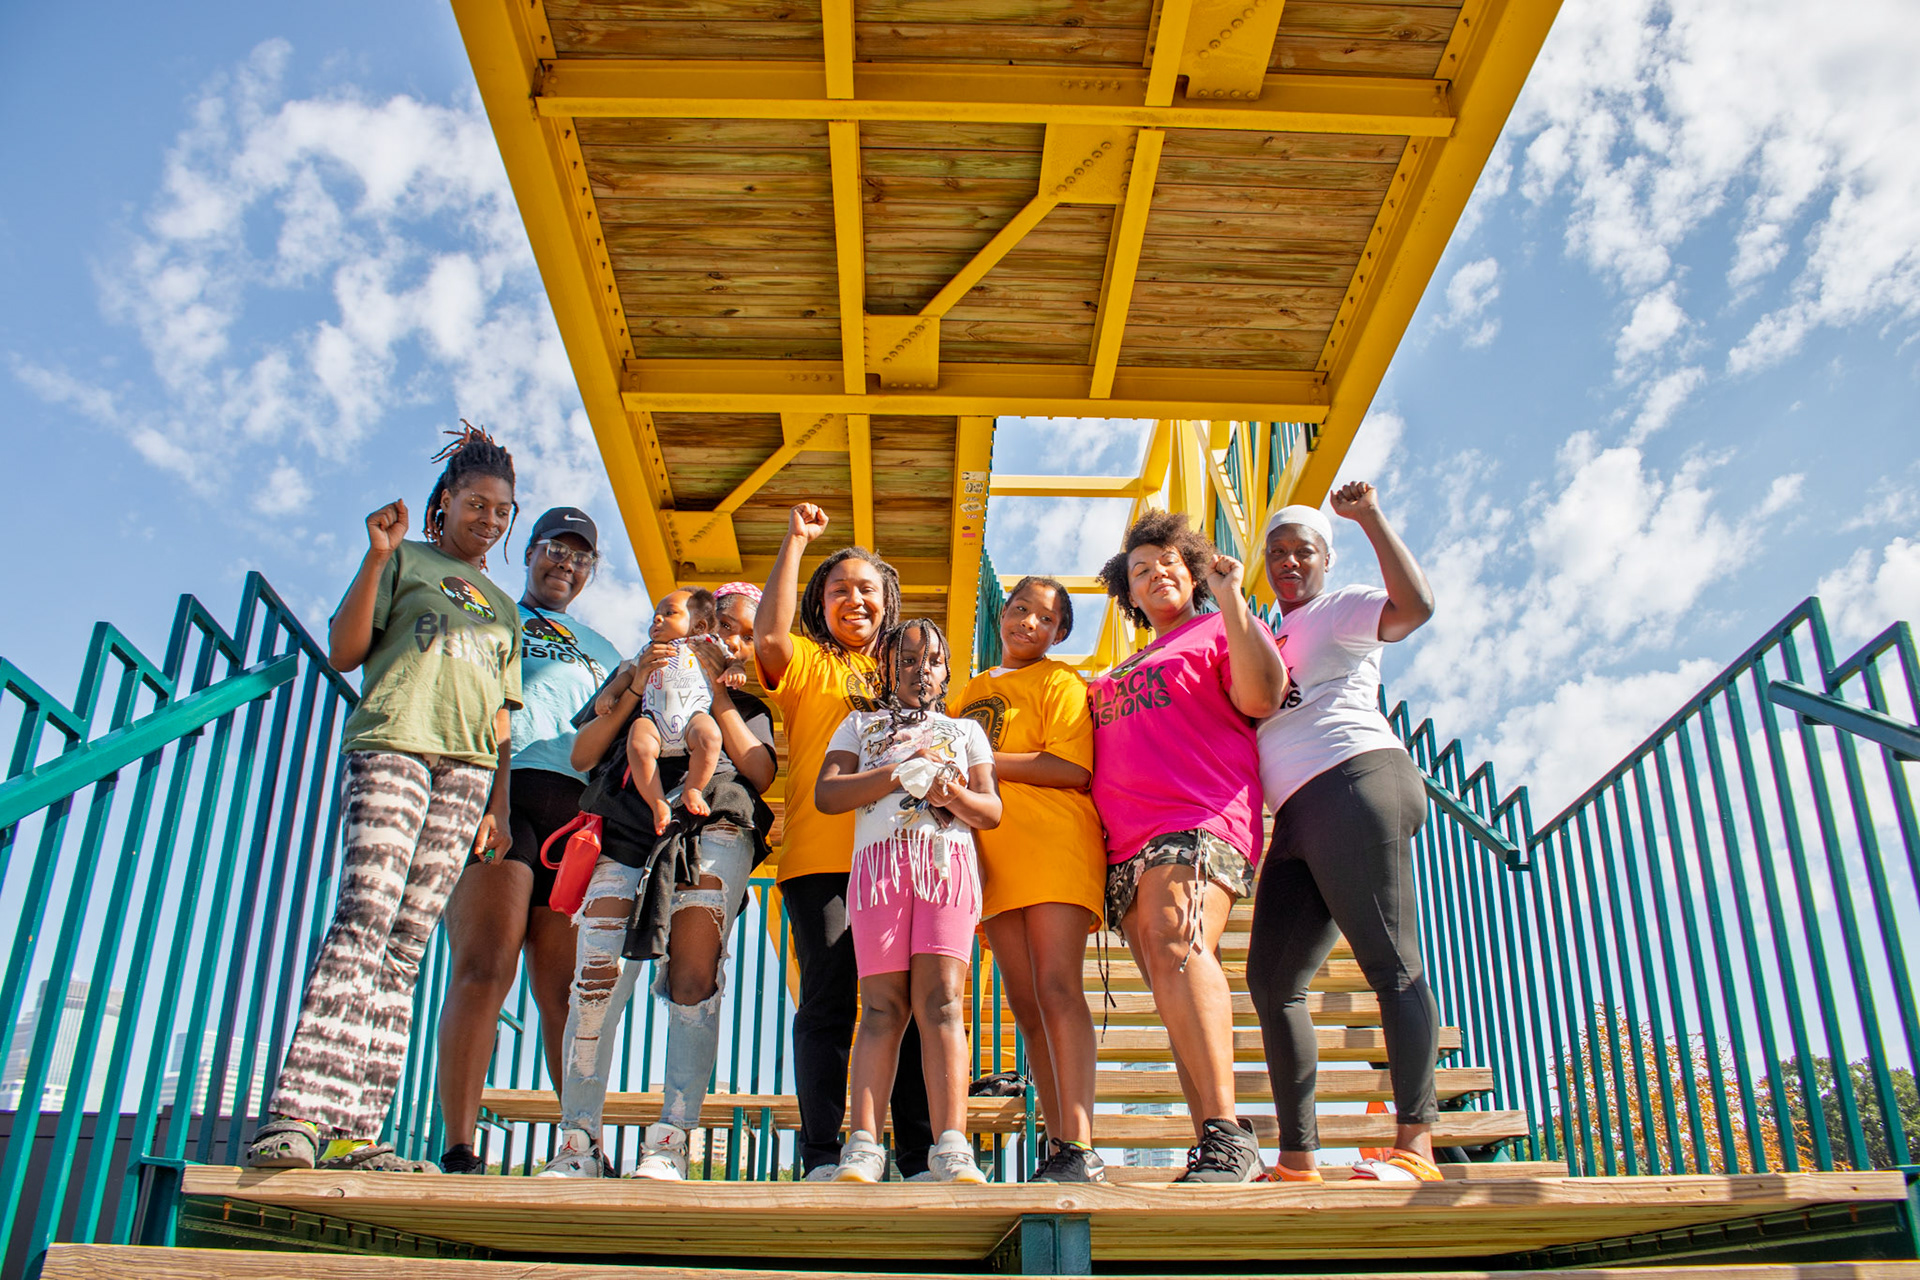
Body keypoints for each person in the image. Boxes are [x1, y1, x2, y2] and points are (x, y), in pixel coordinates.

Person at [247, 425, 522, 1173]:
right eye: (477, 504)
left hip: (466, 775)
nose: (490, 520)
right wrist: (374, 556)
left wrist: (498, 804)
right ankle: (299, 1113)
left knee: (404, 950)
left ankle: (354, 1133)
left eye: (503, 511)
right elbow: (344, 649)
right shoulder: (404, 559)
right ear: (447, 501)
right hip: (396, 744)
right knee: (364, 917)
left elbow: (501, 717)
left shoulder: (504, 608)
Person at [537, 583, 779, 1178]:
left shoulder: (742, 700)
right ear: (699, 623)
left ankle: (671, 1139)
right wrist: (637, 687)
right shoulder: (637, 676)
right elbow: (582, 755)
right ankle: (578, 1143)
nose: (730, 639)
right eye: (721, 625)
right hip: (625, 825)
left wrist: (715, 690)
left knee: (695, 973)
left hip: (713, 819)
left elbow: (760, 771)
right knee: (596, 980)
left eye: (745, 636)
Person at [1246, 483, 1441, 1184]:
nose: (1289, 563)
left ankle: (1416, 1148)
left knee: (1389, 960)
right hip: (1295, 813)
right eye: (1277, 554)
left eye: (1303, 552)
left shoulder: (1341, 608)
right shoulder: (1270, 634)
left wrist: (1370, 518)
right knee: (1271, 981)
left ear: (1325, 560)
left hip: (1355, 777)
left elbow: (1414, 609)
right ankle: (1300, 1158)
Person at [1088, 510, 1288, 1183]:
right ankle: (1219, 1144)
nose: (1154, 575)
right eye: (1140, 571)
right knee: (1171, 989)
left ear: (1191, 570)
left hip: (1198, 815)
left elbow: (1263, 695)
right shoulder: (1117, 668)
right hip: (1124, 843)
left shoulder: (1218, 626)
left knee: (1181, 943)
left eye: (1166, 562)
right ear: (1130, 596)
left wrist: (1232, 596)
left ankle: (1227, 1132)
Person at [432, 506, 624, 1175]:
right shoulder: (492, 612)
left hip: (575, 816)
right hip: (500, 797)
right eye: (553, 550)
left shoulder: (605, 651)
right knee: (484, 967)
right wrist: (491, 801)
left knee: (565, 993)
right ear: (528, 553)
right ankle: (459, 1147)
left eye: (580, 558)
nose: (564, 566)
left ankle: (581, 1147)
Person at [754, 503, 936, 1180]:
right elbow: (768, 637)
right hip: (821, 860)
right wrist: (796, 539)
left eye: (867, 589)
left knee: (912, 1008)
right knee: (828, 1005)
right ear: (819, 605)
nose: (853, 599)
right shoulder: (806, 662)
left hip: (905, 862)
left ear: (889, 604)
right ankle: (822, 1154)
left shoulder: (914, 673)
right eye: (838, 590)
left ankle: (917, 1155)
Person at [816, 619, 1000, 1184]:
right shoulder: (858, 724)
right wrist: (895, 773)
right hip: (879, 870)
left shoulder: (965, 730)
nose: (922, 669)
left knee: (943, 1003)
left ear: (947, 671)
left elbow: (990, 810)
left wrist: (951, 792)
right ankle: (865, 1145)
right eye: (909, 659)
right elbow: (829, 794)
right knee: (880, 1008)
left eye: (934, 660)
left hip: (946, 869)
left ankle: (951, 1145)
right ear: (889, 668)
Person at [953, 577, 1107, 1183]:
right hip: (989, 855)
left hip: (1052, 845)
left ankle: (1081, 1143)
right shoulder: (970, 688)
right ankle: (1058, 1142)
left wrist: (978, 760)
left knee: (1058, 989)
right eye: (1019, 610)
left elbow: (1070, 766)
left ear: (1060, 634)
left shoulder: (1060, 682)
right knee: (1025, 1004)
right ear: (1001, 615)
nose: (1027, 623)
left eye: (1045, 618)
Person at [625, 589, 728, 833]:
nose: (658, 620)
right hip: (654, 721)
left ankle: (693, 788)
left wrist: (736, 670)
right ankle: (657, 802)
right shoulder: (648, 651)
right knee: (638, 741)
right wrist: (610, 693)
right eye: (655, 617)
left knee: (710, 735)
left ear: (699, 626)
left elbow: (729, 658)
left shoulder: (706, 644)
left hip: (693, 717)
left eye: (669, 613)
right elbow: (628, 675)